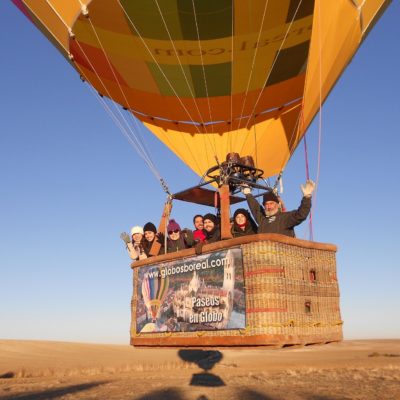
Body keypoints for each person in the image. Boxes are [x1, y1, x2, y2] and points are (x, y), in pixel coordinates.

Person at [243, 180, 315, 237]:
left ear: (277, 205)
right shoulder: (262, 219)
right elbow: (255, 208)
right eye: (266, 204)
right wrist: (248, 194)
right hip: (265, 253)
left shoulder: (284, 218)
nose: (269, 206)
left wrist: (307, 197)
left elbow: (301, 215)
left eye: (271, 203)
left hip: (281, 253)